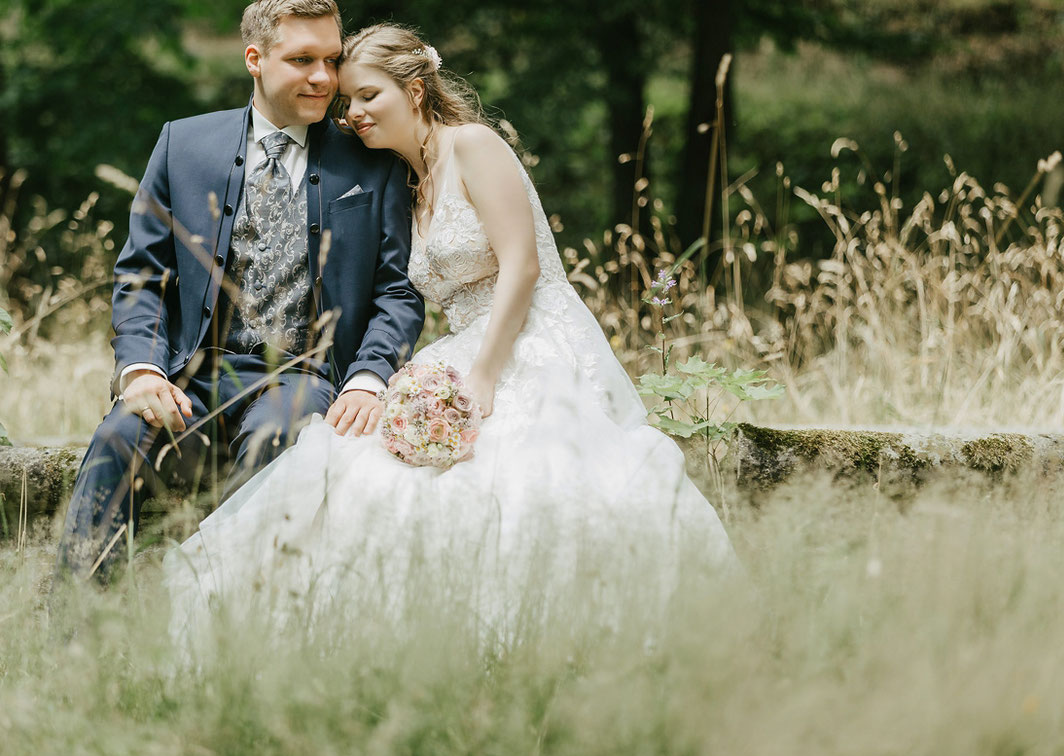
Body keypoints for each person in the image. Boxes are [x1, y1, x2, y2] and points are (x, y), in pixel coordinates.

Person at [163, 24, 734, 647]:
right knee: (365, 467)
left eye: (368, 96)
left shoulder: (473, 145)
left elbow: (523, 265)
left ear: (414, 89)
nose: (352, 114)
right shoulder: (406, 180)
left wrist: (485, 373)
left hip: (529, 340)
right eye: (347, 103)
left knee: (518, 481)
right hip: (461, 347)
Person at [54, 3, 424, 582]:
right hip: (188, 375)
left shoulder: (373, 159)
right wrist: (143, 372)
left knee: (279, 437)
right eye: (302, 60)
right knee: (118, 437)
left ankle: (225, 624)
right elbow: (142, 276)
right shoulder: (183, 144)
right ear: (255, 60)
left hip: (305, 375)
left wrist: (369, 376)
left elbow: (398, 291)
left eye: (331, 60)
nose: (324, 78)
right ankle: (73, 633)